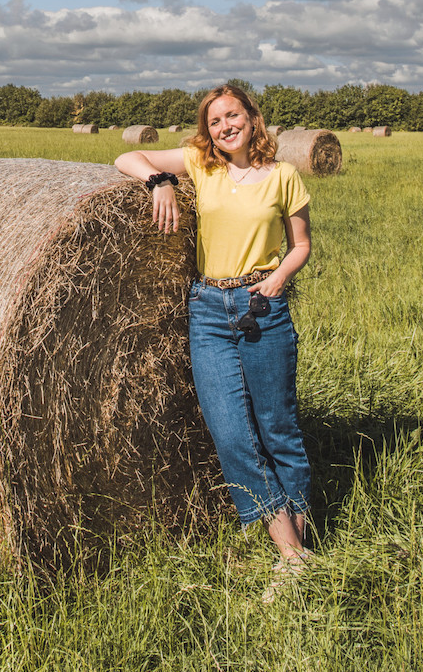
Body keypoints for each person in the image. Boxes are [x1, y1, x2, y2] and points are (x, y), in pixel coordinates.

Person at [115, 84, 313, 599]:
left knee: (278, 430)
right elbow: (125, 155)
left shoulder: (283, 176)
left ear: (252, 116)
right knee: (230, 435)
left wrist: (276, 280)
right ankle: (293, 556)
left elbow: (302, 245)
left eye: (233, 114)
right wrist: (158, 180)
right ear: (208, 131)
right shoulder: (199, 165)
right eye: (215, 121)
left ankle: (297, 546)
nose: (226, 126)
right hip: (207, 310)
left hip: (261, 306)